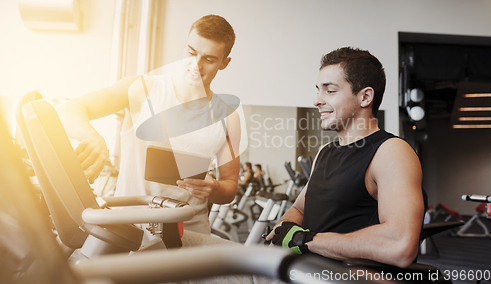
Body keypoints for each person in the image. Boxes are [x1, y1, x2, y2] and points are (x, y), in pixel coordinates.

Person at [58, 15, 241, 240]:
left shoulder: (228, 117)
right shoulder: (143, 89)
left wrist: (214, 189)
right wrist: (93, 137)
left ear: (224, 63)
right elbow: (70, 109)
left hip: (189, 234)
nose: (196, 65)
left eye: (209, 59)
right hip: (129, 229)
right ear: (185, 47)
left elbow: (230, 187)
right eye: (192, 53)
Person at [266, 47, 424, 268]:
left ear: (365, 97)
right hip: (305, 274)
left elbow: (400, 245)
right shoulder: (325, 152)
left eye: (329, 91)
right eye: (318, 90)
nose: (317, 100)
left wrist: (305, 240)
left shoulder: (390, 152)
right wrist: (284, 231)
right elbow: (300, 209)